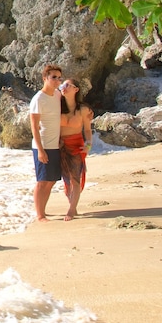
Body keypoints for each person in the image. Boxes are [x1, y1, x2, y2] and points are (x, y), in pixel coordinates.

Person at [30, 64, 63, 222]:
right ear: (45, 78)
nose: (57, 80)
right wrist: (41, 150)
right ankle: (40, 215)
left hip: (55, 145)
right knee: (42, 181)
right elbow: (34, 127)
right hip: (42, 145)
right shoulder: (38, 99)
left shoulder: (57, 95)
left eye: (58, 77)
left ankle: (43, 210)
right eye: (53, 77)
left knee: (51, 181)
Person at [58, 78, 93, 221]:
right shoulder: (57, 107)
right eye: (62, 85)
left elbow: (88, 131)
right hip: (60, 145)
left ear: (76, 89)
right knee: (66, 179)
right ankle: (73, 205)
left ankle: (71, 210)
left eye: (67, 85)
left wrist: (88, 146)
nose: (63, 88)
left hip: (77, 145)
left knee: (76, 178)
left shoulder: (83, 110)